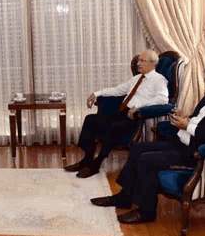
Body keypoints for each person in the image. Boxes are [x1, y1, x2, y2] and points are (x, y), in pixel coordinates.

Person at [90, 61, 205, 224]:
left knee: (146, 160)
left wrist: (188, 126)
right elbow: (202, 120)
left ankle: (146, 213)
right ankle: (124, 198)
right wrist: (187, 118)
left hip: (198, 151)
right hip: (184, 141)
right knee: (138, 148)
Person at [64, 49, 169, 178]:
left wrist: (139, 107)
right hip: (122, 112)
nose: (138, 64)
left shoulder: (159, 80)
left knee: (113, 127)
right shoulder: (137, 78)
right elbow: (118, 90)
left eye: (142, 60)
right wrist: (96, 94)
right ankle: (87, 159)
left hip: (136, 116)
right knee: (90, 120)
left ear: (153, 63)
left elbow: (163, 99)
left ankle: (97, 163)